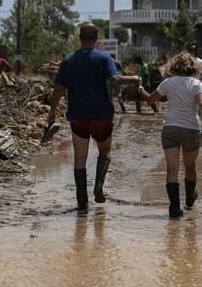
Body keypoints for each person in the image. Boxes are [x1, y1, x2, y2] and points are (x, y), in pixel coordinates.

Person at [47, 23, 141, 212]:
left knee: (79, 160)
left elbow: (58, 89)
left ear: (79, 38)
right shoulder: (104, 57)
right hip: (101, 116)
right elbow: (115, 79)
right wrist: (134, 78)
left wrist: (52, 111)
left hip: (78, 117)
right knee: (105, 151)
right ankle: (99, 187)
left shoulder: (68, 60)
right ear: (97, 38)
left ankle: (82, 203)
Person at [138, 51, 202, 218]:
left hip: (170, 129)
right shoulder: (196, 84)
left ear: (174, 66)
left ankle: (174, 208)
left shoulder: (168, 82)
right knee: (190, 167)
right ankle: (190, 199)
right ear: (193, 67)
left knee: (171, 168)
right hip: (191, 129)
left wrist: (140, 88)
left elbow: (149, 100)